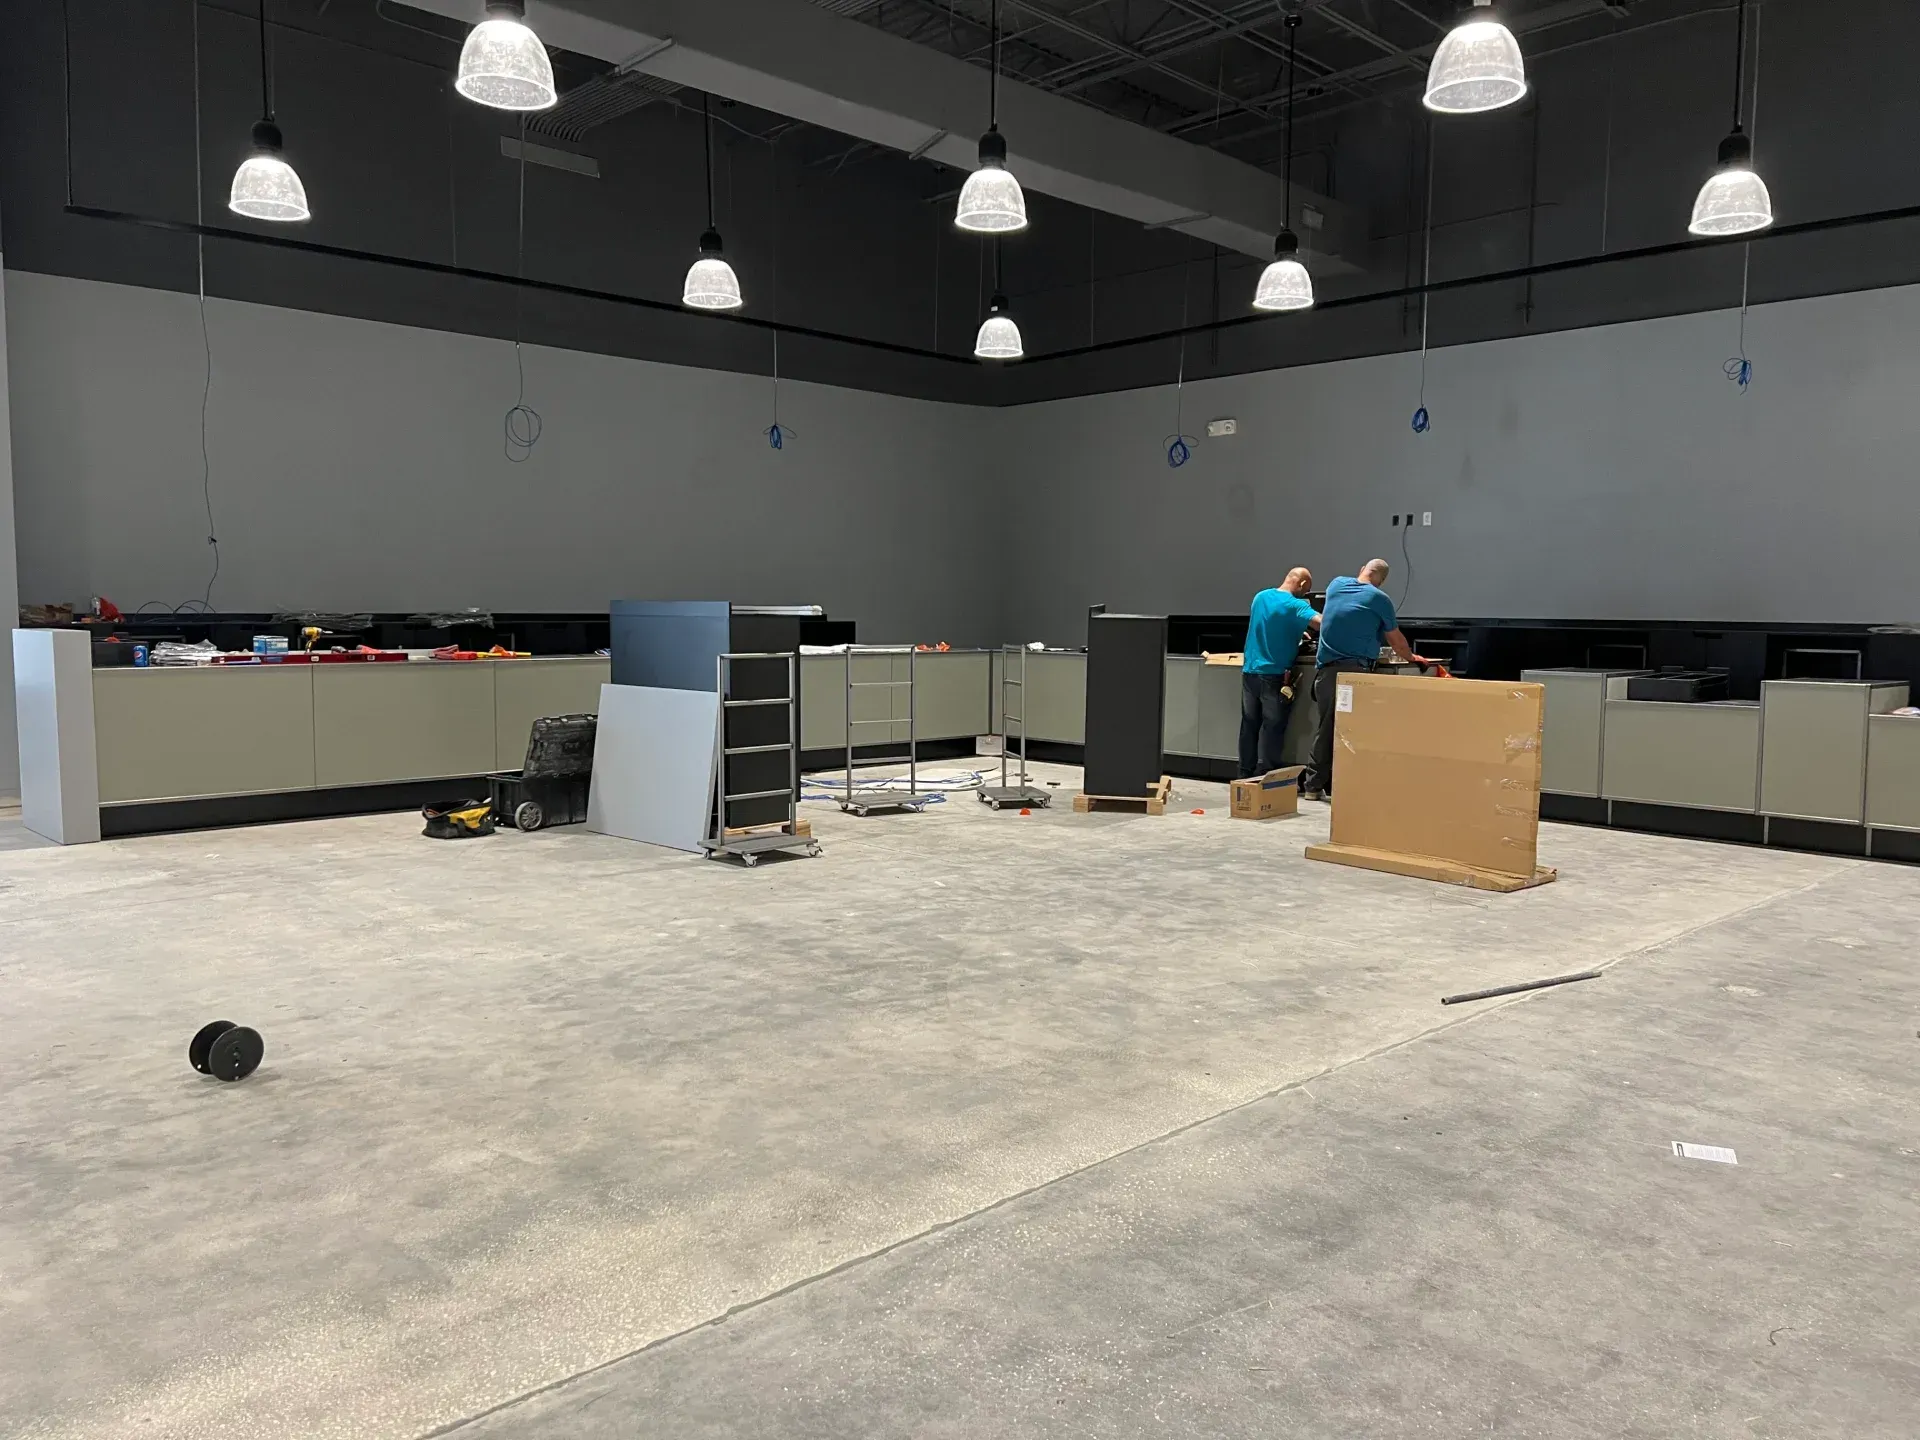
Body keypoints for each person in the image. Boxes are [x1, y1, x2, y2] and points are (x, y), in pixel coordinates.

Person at [1302, 558, 1425, 800]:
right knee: (1352, 731)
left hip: (1326, 672)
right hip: (1354, 675)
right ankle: (1345, 786)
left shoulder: (1336, 585)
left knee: (1326, 728)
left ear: (1362, 570)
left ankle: (1315, 786)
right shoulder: (1379, 599)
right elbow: (1396, 640)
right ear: (1382, 580)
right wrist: (1412, 657)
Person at [1239, 567, 1320, 779]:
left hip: (1250, 671)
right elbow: (1322, 623)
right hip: (1274, 674)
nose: (1305, 595)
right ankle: (1267, 776)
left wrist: (1295, 629)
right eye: (1306, 590)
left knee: (1249, 725)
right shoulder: (1296, 605)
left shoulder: (1260, 597)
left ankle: (1244, 774)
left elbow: (1270, 623)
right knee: (1272, 726)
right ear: (1302, 584)